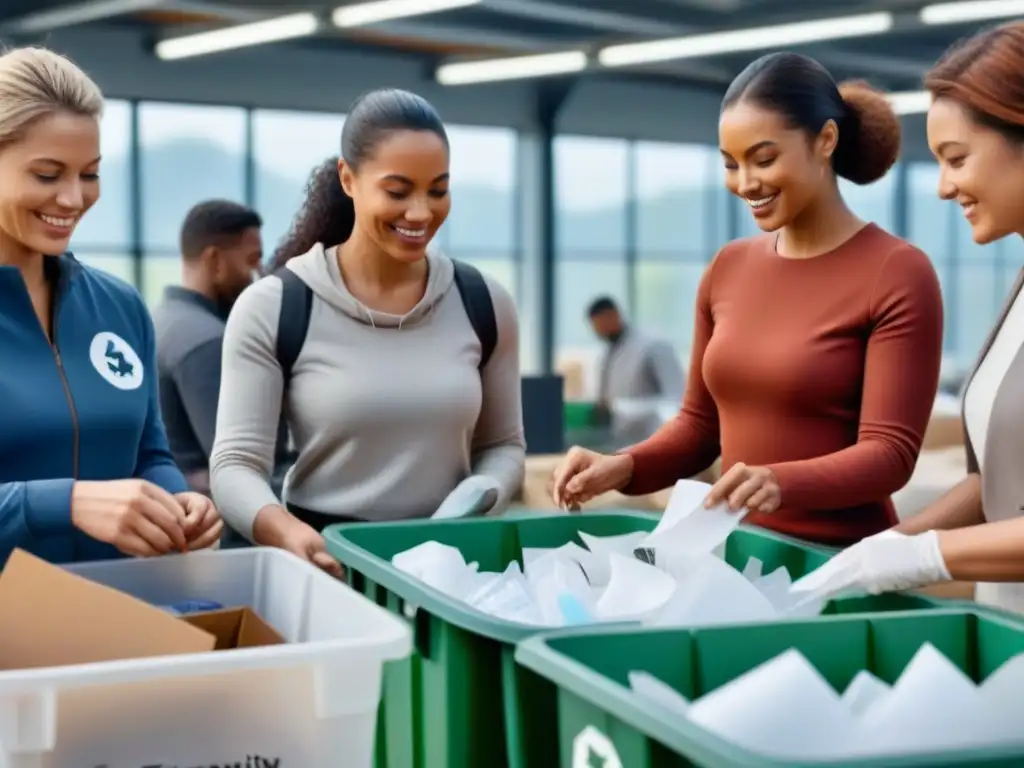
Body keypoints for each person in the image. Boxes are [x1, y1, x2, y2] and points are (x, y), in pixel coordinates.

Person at [553, 52, 944, 547]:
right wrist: (625, 466)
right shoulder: (727, 269)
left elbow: (890, 454)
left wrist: (781, 481)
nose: (745, 183)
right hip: (735, 555)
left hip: (842, 564)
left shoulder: (897, 272)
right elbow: (698, 428)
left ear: (825, 140)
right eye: (730, 163)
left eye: (763, 159)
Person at [210, 88, 526, 574]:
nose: (421, 213)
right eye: (398, 192)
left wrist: (473, 501)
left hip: (450, 566)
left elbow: (503, 446)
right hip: (326, 562)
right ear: (348, 179)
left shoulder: (484, 302)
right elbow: (234, 465)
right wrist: (285, 531)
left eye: (438, 190)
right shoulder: (275, 306)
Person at [791, 22, 1024, 611]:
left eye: (957, 159)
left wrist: (927, 557)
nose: (944, 187)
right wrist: (890, 543)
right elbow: (990, 484)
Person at [0, 47, 222, 566]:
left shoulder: (119, 307)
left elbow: (149, 454)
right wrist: (64, 503)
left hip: (122, 616)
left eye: (90, 174)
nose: (74, 199)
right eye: (48, 174)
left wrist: (177, 502)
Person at [151, 200, 291, 501]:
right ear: (214, 260)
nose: (259, 273)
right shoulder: (208, 341)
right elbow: (238, 464)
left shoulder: (159, 321)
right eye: (252, 260)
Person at [588, 295, 684, 444]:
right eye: (595, 327)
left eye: (601, 324)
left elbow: (675, 399)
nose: (599, 331)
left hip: (654, 439)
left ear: (614, 315)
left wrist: (620, 408)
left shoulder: (653, 346)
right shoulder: (606, 355)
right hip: (620, 441)